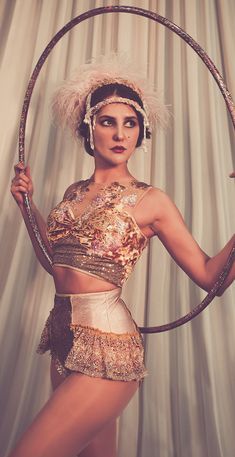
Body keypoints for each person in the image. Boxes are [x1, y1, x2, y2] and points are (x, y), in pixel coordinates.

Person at [10, 56, 234, 457]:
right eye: (108, 121)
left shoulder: (152, 200)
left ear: (141, 130)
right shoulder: (73, 193)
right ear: (88, 128)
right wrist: (28, 207)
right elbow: (55, 264)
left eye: (130, 123)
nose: (120, 134)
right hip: (63, 341)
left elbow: (209, 276)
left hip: (108, 350)